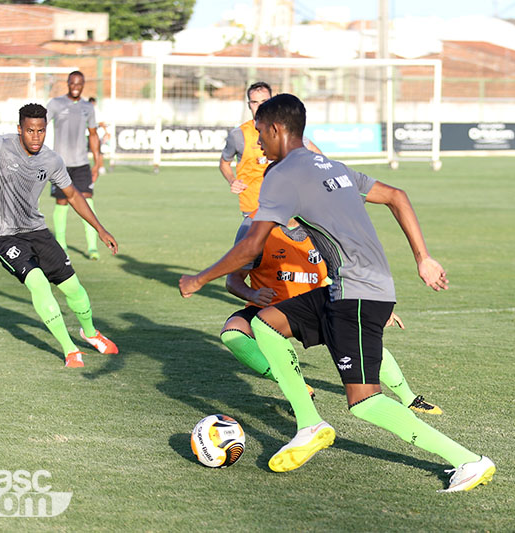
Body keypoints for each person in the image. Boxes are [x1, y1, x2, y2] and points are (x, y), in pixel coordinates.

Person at [180, 94, 495, 492]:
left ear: (277, 129)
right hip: (345, 289)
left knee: (365, 402)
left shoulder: (282, 173)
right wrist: (423, 258)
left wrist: (198, 279)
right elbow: (397, 196)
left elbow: (249, 247)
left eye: (259, 133)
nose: (256, 143)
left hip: (358, 293)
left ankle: (467, 460)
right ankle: (309, 423)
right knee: (266, 324)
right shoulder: (329, 165)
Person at [0, 103, 119, 368]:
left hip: (36, 230)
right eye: (30, 131)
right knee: (37, 282)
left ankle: (91, 333)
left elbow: (73, 195)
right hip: (2, 234)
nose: (35, 136)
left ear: (46, 129)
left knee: (73, 287)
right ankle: (70, 349)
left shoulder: (51, 160)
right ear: (20, 130)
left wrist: (100, 229)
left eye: (40, 130)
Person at [221, 214, 442, 415]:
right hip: (269, 311)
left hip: (315, 306)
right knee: (233, 333)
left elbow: (348, 272)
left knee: (362, 343)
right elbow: (233, 280)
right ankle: (298, 388)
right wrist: (253, 293)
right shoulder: (255, 227)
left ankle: (410, 399)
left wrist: (376, 306)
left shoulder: (324, 223)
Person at [219, 81, 320, 216]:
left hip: (286, 204)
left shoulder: (285, 129)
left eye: (264, 101)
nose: (259, 106)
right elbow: (224, 163)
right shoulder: (238, 135)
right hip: (254, 207)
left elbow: (317, 156)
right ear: (249, 105)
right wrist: (232, 180)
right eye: (254, 102)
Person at [47, 71, 103, 259]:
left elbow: (93, 135)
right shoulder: (55, 104)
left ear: (83, 84)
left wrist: (97, 161)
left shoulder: (88, 107)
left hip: (81, 164)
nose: (76, 87)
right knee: (62, 202)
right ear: (68, 83)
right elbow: (40, 126)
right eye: (73, 83)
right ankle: (61, 246)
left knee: (87, 202)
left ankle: (92, 247)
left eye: (79, 84)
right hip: (59, 165)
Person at [88, 96, 111, 176]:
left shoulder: (96, 111)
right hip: (87, 135)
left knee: (98, 152)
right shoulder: (88, 110)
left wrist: (106, 132)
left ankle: (100, 167)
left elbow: (101, 123)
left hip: (95, 135)